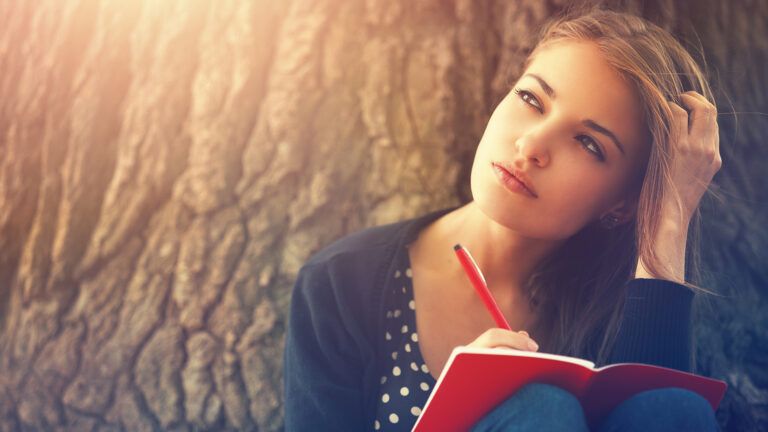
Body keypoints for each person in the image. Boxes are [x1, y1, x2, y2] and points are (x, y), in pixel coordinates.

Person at [284, 7, 723, 432]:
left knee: (671, 405)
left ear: (622, 205)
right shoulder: (342, 282)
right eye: (532, 99)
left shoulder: (626, 307)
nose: (532, 143)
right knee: (541, 410)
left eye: (589, 144)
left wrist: (669, 220)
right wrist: (458, 410)